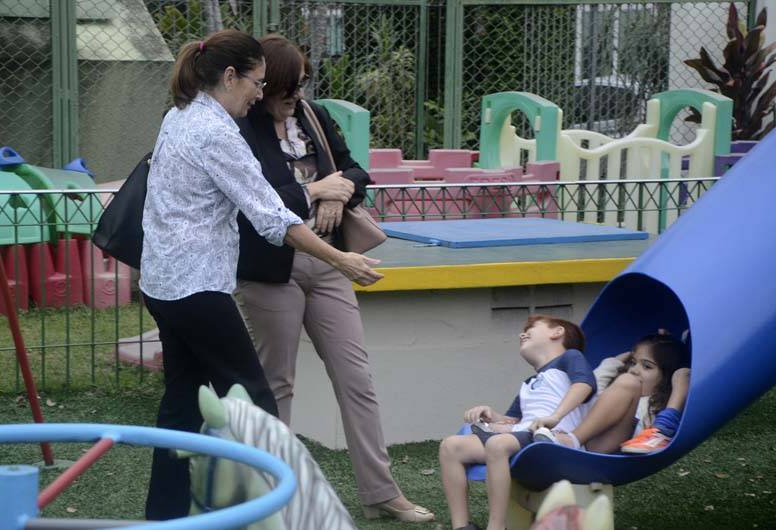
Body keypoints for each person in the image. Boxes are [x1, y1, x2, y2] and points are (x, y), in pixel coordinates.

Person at [140, 29, 382, 521]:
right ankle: (277, 515)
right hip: (196, 287)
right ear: (230, 76)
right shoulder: (216, 133)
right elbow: (273, 218)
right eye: (257, 82)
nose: (259, 94)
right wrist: (342, 260)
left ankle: (165, 516)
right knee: (256, 408)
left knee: (183, 402)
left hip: (162, 283)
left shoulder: (179, 115)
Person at [231, 35, 433, 523]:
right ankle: (271, 497)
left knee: (356, 377)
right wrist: (317, 188)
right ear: (267, 84)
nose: (297, 94)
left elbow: (356, 172)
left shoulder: (314, 116)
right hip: (270, 269)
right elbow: (258, 199)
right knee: (277, 383)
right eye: (289, 86)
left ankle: (381, 493)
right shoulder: (240, 125)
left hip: (330, 262)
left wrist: (337, 194)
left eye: (303, 84)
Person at [438, 315, 597, 530]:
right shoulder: (529, 383)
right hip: (524, 436)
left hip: (553, 437)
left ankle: (496, 526)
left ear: (557, 332)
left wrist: (555, 416)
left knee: (497, 444)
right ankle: (461, 526)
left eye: (531, 328)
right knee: (450, 447)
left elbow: (584, 384)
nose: (522, 334)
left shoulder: (570, 357)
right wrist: (491, 415)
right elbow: (512, 421)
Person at [534, 333, 691, 454]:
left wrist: (679, 382)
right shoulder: (620, 391)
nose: (634, 370)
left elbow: (663, 426)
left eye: (647, 366)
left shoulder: (655, 405)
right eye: (633, 362)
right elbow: (591, 390)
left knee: (628, 381)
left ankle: (572, 440)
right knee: (606, 387)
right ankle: (567, 439)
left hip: (607, 444)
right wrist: (615, 362)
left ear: (667, 376)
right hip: (584, 433)